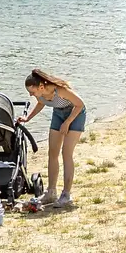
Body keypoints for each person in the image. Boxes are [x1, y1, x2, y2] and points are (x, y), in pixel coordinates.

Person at [16, 69, 85, 210]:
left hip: (75, 114)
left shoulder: (60, 91)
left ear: (41, 87)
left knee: (66, 153)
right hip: (58, 114)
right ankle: (51, 192)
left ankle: (66, 195)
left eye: (32, 92)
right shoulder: (40, 95)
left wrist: (67, 123)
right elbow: (41, 103)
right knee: (52, 153)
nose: (31, 94)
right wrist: (28, 118)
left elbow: (80, 104)